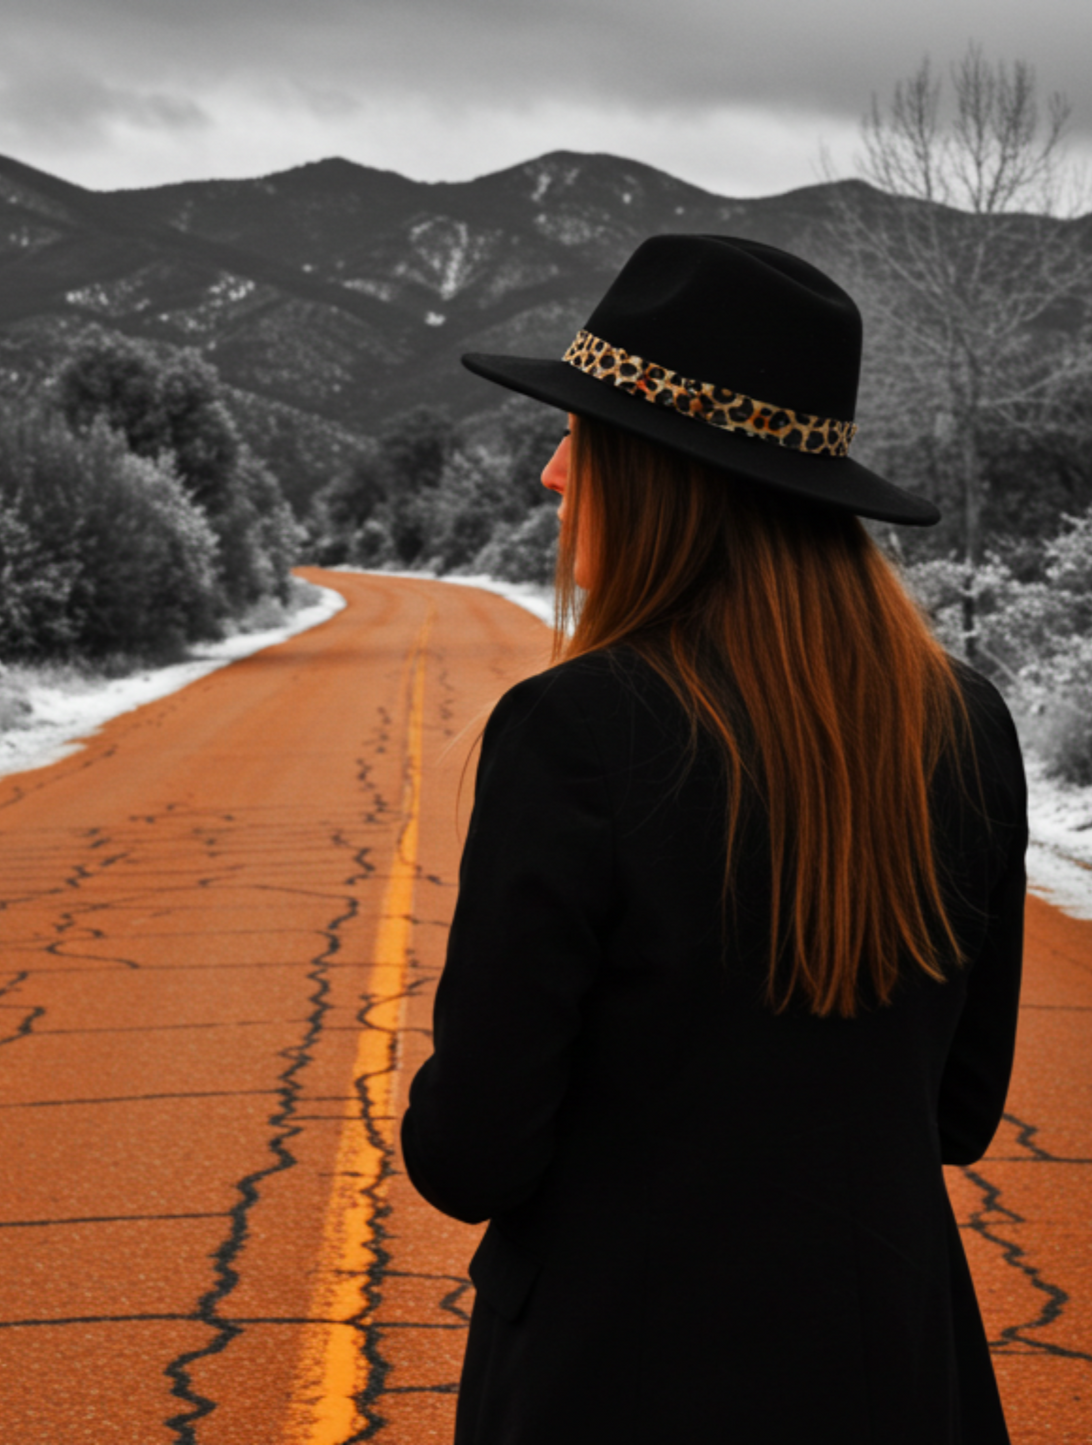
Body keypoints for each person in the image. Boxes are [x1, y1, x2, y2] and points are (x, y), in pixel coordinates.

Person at [399, 233, 1028, 1444]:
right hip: (890, 1366)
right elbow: (956, 1113)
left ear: (655, 472)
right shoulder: (963, 720)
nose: (549, 473)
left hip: (616, 1374)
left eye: (577, 434)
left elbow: (471, 1156)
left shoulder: (571, 731)